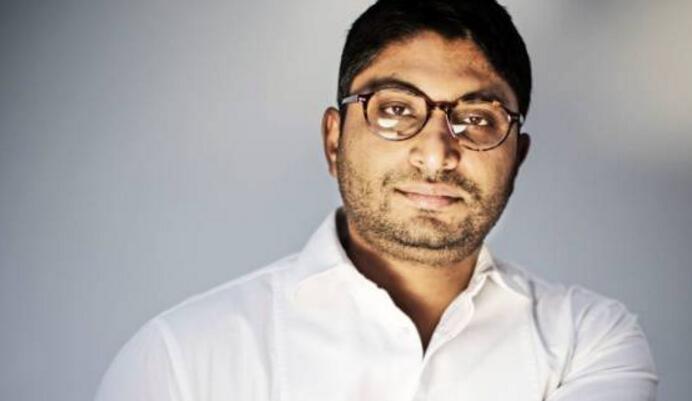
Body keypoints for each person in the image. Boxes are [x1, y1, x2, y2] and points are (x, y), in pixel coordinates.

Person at [95, 1, 657, 400]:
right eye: (395, 109)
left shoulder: (587, 341)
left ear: (518, 157)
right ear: (334, 139)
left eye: (477, 119)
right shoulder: (180, 360)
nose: (436, 154)